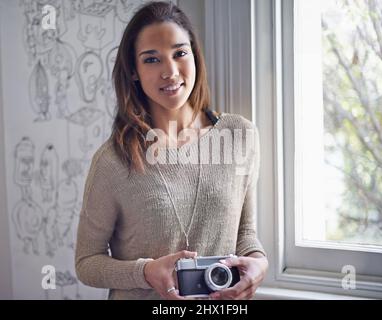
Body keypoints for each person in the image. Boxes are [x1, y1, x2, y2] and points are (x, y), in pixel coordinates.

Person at [75, 1, 268, 300]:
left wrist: (259, 264)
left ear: (195, 56)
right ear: (134, 71)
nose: (170, 71)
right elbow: (86, 263)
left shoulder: (240, 136)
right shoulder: (112, 161)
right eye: (152, 60)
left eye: (180, 53)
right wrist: (144, 272)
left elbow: (245, 235)